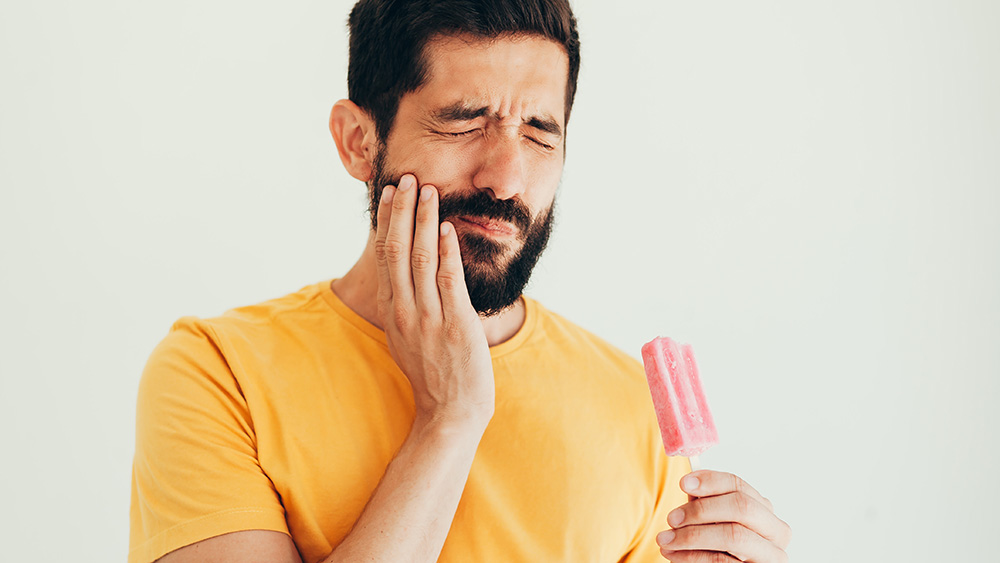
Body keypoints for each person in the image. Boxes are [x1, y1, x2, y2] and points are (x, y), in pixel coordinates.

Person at [128, 1, 791, 562]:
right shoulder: (218, 372)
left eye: (539, 134)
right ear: (359, 141)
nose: (505, 177)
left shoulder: (636, 411)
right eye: (465, 120)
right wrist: (449, 420)